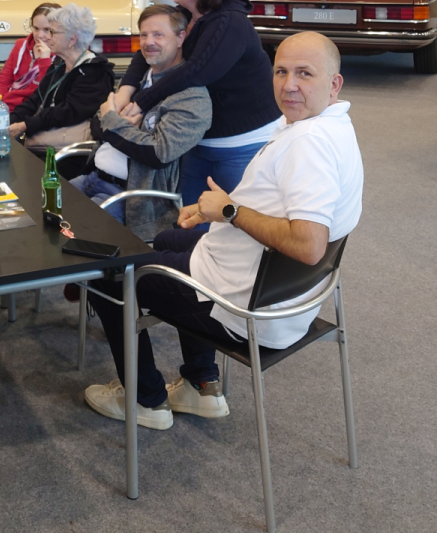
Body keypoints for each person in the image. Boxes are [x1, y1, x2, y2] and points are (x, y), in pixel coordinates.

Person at [84, 32, 362, 428]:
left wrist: (229, 210)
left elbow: (308, 245)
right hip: (280, 290)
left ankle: (144, 399)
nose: (289, 85)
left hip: (244, 307)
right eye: (281, 71)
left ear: (334, 84)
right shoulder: (333, 125)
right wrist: (213, 210)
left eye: (305, 73)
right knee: (166, 238)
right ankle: (201, 385)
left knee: (110, 276)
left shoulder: (308, 144)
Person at [115, 0, 280, 202]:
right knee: (191, 215)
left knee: (232, 218)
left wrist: (141, 102)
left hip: (240, 143)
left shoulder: (230, 23)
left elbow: (195, 71)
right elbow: (147, 50)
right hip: (201, 142)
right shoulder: (186, 14)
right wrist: (126, 89)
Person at [72, 4, 212, 234]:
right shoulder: (137, 80)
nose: (148, 42)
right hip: (93, 177)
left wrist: (113, 121)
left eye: (158, 35)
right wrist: (118, 126)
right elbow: (96, 123)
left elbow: (158, 153)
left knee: (71, 233)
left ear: (180, 38)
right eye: (144, 35)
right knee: (39, 209)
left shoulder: (191, 96)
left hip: (131, 198)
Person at [9, 4, 115, 148]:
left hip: (71, 150)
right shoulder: (60, 64)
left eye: (52, 32)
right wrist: (8, 122)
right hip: (48, 139)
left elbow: (67, 113)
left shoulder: (94, 71)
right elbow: (35, 99)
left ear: (72, 40)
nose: (47, 37)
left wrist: (25, 125)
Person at [0, 2, 60, 114]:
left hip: (36, 112)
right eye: (36, 28)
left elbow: (47, 93)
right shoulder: (20, 46)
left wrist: (45, 61)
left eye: (47, 30)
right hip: (9, 107)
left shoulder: (61, 54)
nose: (39, 35)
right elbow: (3, 82)